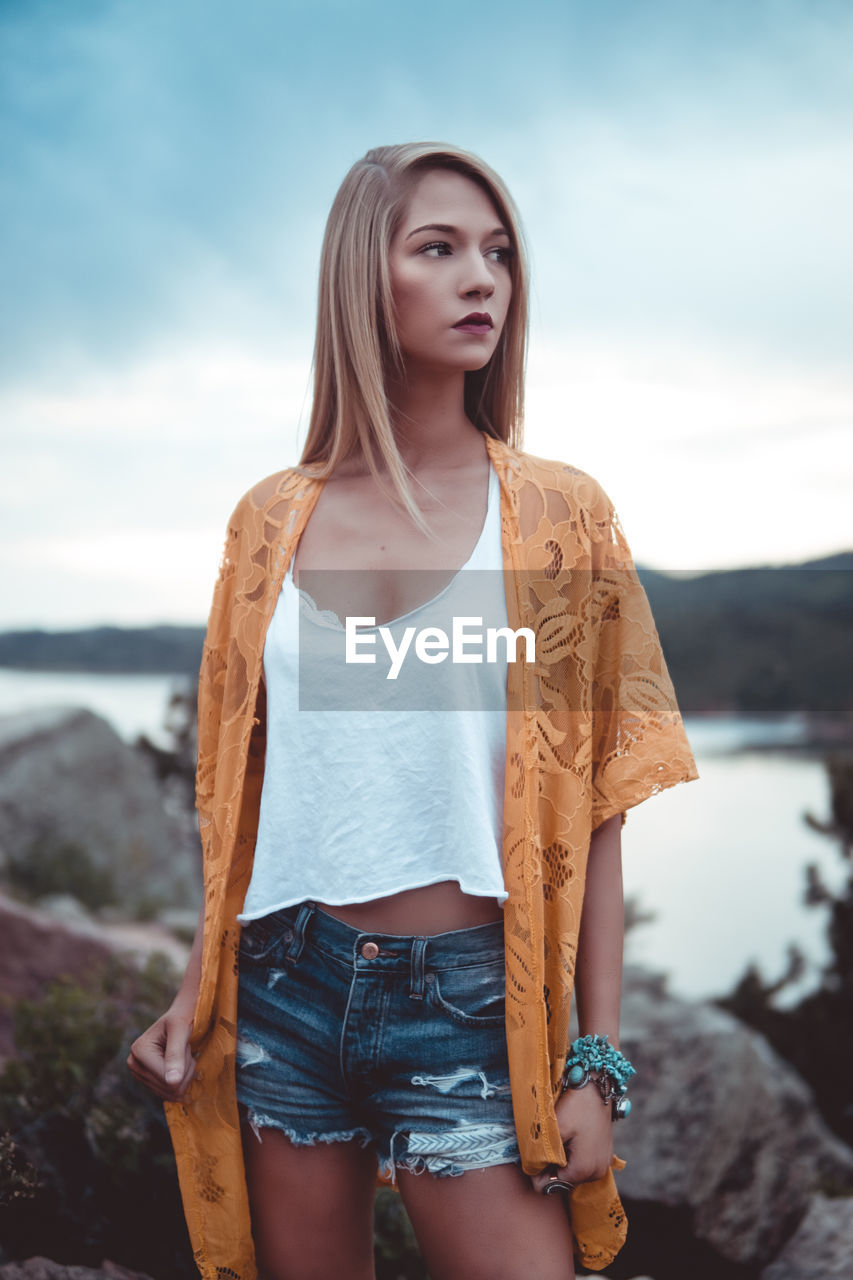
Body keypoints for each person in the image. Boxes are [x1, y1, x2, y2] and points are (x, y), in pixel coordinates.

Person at [128, 142, 698, 1280]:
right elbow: (245, 794)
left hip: (470, 999)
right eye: (437, 249)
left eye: (496, 252)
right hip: (284, 980)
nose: (481, 277)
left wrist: (597, 1064)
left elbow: (597, 810)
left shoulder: (556, 516)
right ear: (361, 280)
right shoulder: (267, 523)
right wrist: (197, 990)